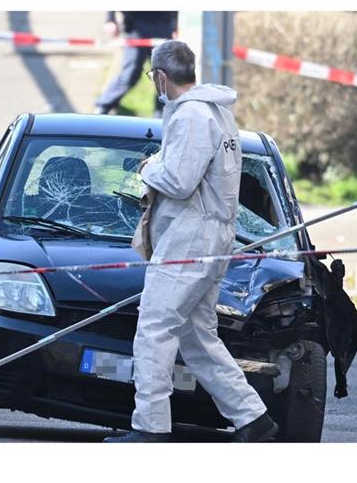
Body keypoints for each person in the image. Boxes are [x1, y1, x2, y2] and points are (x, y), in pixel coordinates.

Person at [105, 40, 278, 443]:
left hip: (189, 239)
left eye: (152, 78)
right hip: (212, 237)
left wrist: (149, 168)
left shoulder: (191, 116)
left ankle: (150, 428)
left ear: (161, 77)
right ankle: (253, 419)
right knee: (197, 336)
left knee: (153, 329)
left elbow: (179, 182)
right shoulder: (219, 113)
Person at [94, 11, 177, 117]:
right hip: (135, 25)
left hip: (163, 25)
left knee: (165, 76)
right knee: (130, 73)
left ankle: (161, 117)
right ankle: (102, 106)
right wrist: (110, 19)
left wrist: (175, 24)